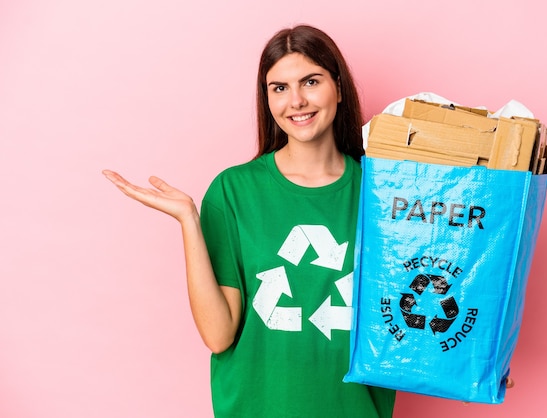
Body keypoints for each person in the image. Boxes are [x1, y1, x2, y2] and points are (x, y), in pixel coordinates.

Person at [103, 24, 396, 418]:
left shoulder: (386, 197)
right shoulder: (232, 192)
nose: (296, 101)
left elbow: (409, 310)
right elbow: (219, 335)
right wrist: (190, 220)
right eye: (279, 88)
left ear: (339, 88)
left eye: (310, 81)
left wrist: (476, 360)